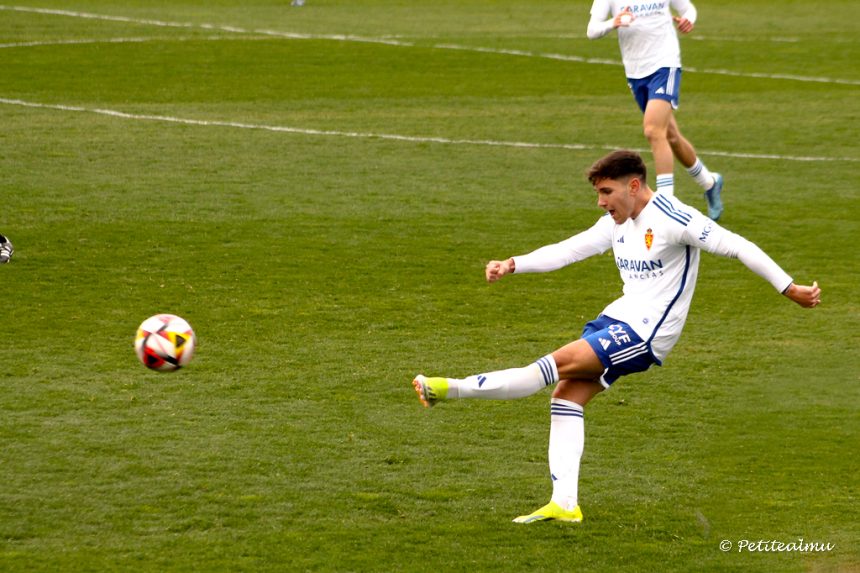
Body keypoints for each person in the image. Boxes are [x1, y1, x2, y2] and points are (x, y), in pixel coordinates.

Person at [412, 150, 820, 524]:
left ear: (634, 186)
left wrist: (789, 287)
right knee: (567, 397)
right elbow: (569, 249)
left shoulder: (675, 218)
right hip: (616, 320)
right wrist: (514, 264)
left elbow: (737, 246)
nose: (601, 202)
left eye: (607, 192)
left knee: (549, 368)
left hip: (645, 334)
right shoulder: (616, 222)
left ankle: (448, 389)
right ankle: (565, 504)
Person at [586, 0, 725, 221]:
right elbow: (592, 30)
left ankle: (664, 204)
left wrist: (689, 19)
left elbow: (687, 9)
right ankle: (710, 182)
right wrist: (615, 21)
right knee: (670, 135)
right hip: (636, 71)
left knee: (653, 130)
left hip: (665, 64)